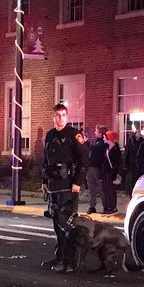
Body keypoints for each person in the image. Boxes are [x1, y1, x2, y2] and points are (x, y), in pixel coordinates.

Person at [41, 103, 89, 272]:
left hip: (68, 185)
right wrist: (44, 181)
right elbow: (46, 160)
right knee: (56, 223)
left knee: (67, 225)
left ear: (67, 117)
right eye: (57, 115)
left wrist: (78, 182)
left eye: (63, 115)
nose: (60, 118)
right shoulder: (50, 135)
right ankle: (59, 257)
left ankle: (70, 262)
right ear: (53, 117)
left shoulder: (74, 135)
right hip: (54, 185)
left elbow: (84, 161)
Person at [86, 125, 107, 214]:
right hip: (91, 167)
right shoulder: (96, 142)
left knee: (101, 188)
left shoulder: (102, 143)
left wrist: (86, 142)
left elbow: (95, 149)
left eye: (96, 131)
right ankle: (92, 206)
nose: (95, 133)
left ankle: (105, 206)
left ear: (101, 133)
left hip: (97, 168)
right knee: (91, 189)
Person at [101, 130, 122, 215]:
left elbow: (117, 163)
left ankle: (113, 207)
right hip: (106, 172)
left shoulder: (116, 149)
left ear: (109, 138)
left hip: (111, 173)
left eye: (105, 137)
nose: (103, 138)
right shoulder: (107, 147)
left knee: (111, 190)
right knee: (106, 190)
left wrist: (115, 174)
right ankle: (108, 206)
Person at [123, 130, 142, 196]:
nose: (139, 134)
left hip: (139, 164)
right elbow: (127, 152)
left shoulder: (142, 141)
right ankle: (131, 194)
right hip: (131, 164)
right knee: (131, 181)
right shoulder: (131, 141)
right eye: (138, 133)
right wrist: (125, 163)